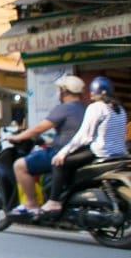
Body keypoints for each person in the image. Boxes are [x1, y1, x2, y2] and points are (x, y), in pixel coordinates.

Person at [39, 76, 127, 220]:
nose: (91, 94)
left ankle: (53, 202)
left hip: (100, 153)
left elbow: (84, 136)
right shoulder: (120, 109)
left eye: (93, 91)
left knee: (58, 163)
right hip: (118, 154)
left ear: (98, 92)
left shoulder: (97, 107)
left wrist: (63, 152)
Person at [6, 75, 86, 217]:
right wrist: (48, 141)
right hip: (79, 153)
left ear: (64, 91)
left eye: (59, 90)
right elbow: (71, 134)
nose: (58, 93)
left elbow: (39, 128)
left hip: (61, 153)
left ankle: (31, 204)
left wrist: (17, 137)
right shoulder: (85, 109)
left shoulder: (64, 108)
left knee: (20, 165)